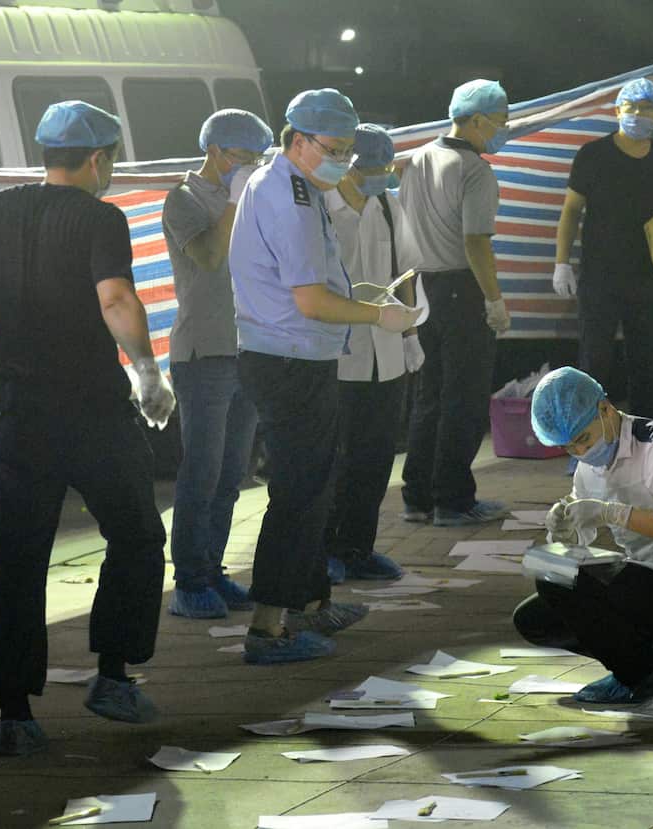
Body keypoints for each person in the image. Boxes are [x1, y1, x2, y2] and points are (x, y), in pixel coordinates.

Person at [0, 101, 174, 755]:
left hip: (14, 410)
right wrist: (148, 372)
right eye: (113, 160)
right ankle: (114, 676)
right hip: (90, 409)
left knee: (19, 556)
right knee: (139, 534)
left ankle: (15, 714)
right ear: (98, 159)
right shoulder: (101, 217)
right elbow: (116, 297)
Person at [229, 88, 419, 664]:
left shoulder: (291, 185)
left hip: (293, 353)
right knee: (298, 492)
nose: (342, 161)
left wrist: (357, 297)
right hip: (289, 356)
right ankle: (267, 631)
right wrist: (378, 315)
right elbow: (310, 301)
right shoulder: (291, 197)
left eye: (346, 151)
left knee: (314, 483)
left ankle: (309, 607)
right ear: (297, 139)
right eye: (333, 149)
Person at [512, 367, 653, 704]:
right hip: (642, 580)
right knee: (535, 617)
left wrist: (611, 512)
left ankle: (644, 674)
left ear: (605, 409)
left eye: (583, 439)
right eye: (570, 448)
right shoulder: (588, 466)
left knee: (561, 581)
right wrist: (565, 527)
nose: (581, 452)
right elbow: (582, 542)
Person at [162, 108, 273, 619]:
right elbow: (209, 256)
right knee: (201, 473)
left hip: (248, 348)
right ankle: (188, 581)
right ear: (215, 151)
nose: (250, 167)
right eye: (243, 158)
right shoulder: (183, 199)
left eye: (257, 160)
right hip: (203, 353)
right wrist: (235, 197)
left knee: (232, 474)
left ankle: (212, 568)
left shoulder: (251, 196)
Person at [398, 79, 511, 527]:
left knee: (430, 396)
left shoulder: (417, 159)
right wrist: (494, 300)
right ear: (478, 119)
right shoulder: (474, 170)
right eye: (501, 121)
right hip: (462, 291)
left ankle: (418, 496)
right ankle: (454, 500)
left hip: (422, 287)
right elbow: (476, 242)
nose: (504, 129)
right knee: (463, 399)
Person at [551, 78, 653, 421]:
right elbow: (571, 211)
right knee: (595, 361)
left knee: (645, 361)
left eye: (647, 108)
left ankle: (645, 438)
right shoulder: (593, 156)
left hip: (649, 277)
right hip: (599, 278)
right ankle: (589, 439)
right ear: (618, 111)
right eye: (632, 108)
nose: (639, 114)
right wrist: (561, 263)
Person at [323, 123, 423, 583]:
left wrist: (412, 333)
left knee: (378, 454)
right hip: (337, 353)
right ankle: (325, 551)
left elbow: (407, 269)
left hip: (387, 350)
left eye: (386, 167)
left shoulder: (388, 204)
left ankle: (358, 548)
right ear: (348, 165)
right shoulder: (323, 207)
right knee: (335, 456)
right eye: (373, 168)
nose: (381, 175)